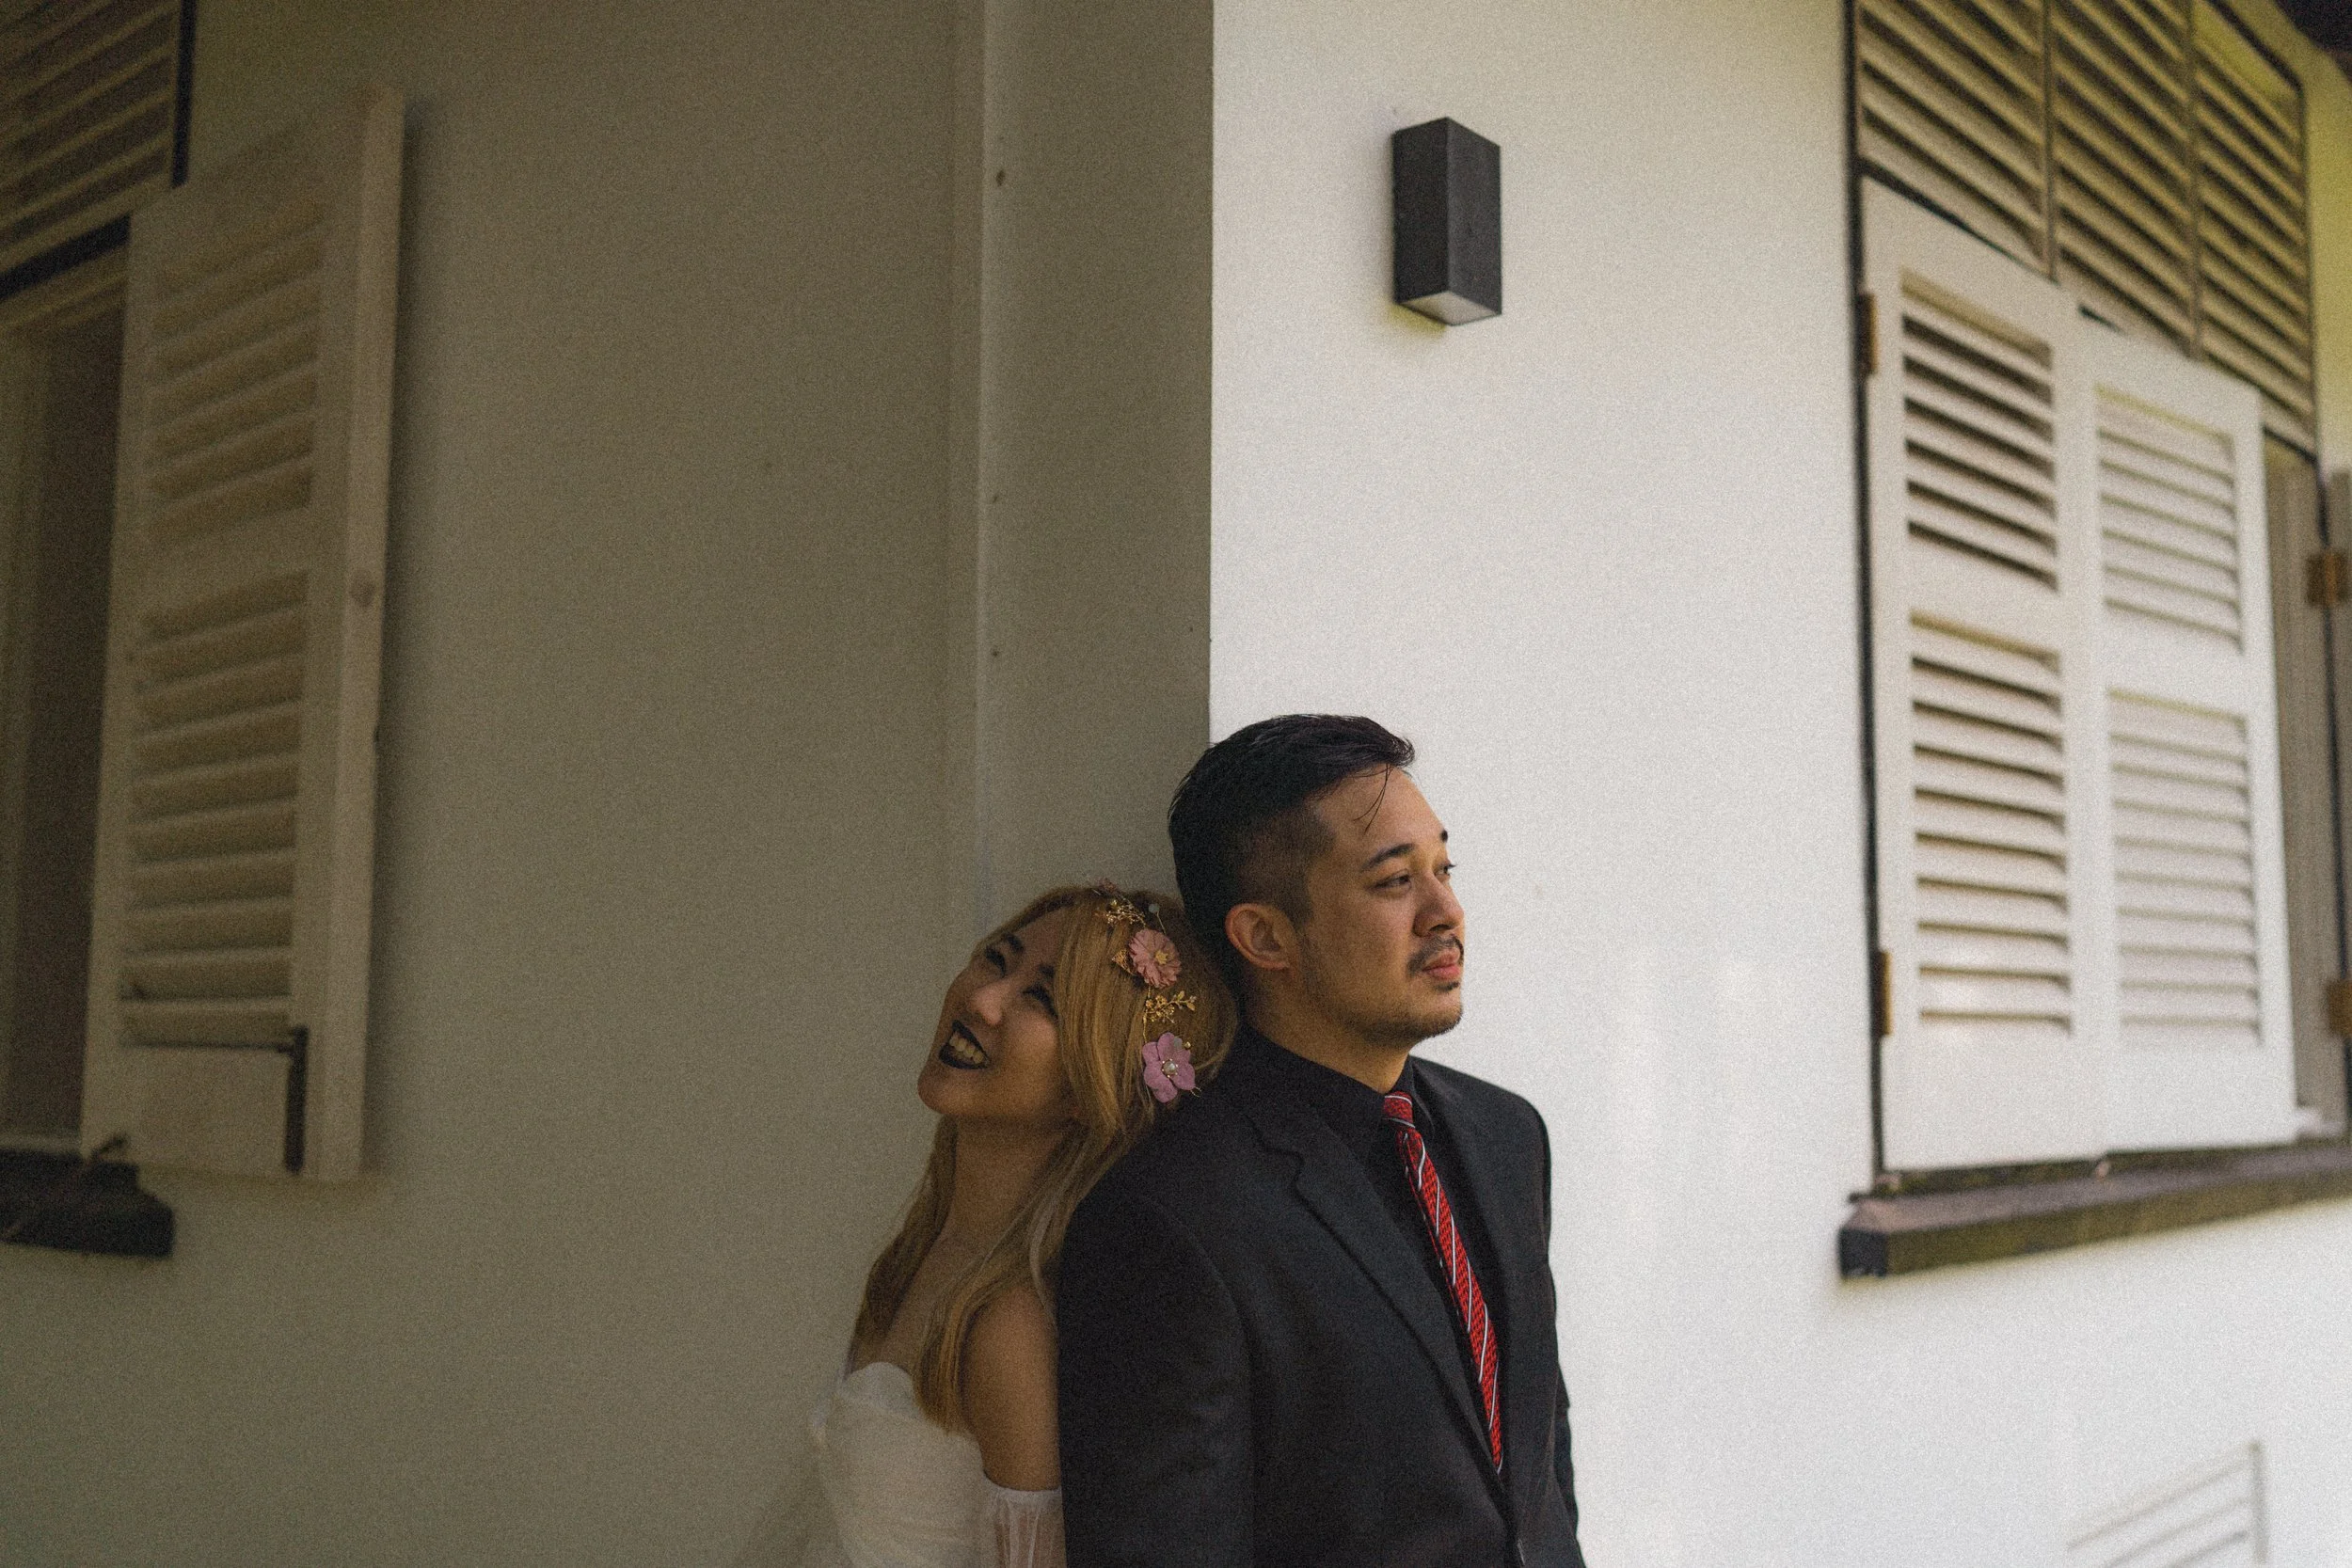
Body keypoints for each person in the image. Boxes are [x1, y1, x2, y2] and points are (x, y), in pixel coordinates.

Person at [1057, 716, 1590, 1567]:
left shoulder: (1505, 1135)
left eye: (1442, 869)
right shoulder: (1170, 1218)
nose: (1446, 911)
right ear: (1265, 936)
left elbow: (1536, 1464)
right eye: (1393, 883)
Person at [787, 883, 1235, 1568]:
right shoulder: (920, 1250)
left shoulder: (1006, 1325)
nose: (981, 1000)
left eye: (1040, 999)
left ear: (1095, 1088)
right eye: (997, 959)